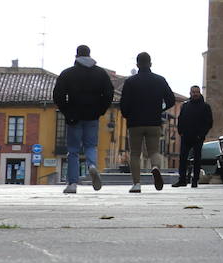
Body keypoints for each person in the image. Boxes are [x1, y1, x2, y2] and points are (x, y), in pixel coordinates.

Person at [52, 44, 114, 194]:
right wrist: (100, 110)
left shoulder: (67, 74)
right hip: (92, 116)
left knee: (73, 150)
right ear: (90, 55)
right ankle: (92, 166)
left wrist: (67, 111)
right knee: (91, 146)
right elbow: (109, 93)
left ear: (76, 56)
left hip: (74, 116)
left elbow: (58, 95)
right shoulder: (101, 74)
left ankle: (72, 184)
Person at [119, 52, 176, 192]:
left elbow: (124, 104)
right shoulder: (159, 80)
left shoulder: (130, 82)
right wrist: (160, 109)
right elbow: (171, 100)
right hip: (154, 121)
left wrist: (128, 115)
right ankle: (155, 167)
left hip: (135, 123)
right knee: (154, 151)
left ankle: (136, 184)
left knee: (135, 153)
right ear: (150, 63)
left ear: (137, 64)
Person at [175, 85, 214, 187]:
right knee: (183, 158)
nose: (195, 94)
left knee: (197, 159)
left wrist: (201, 135)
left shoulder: (205, 106)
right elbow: (180, 119)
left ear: (200, 92)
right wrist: (180, 132)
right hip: (186, 136)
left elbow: (209, 123)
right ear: (190, 93)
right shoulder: (185, 106)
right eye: (193, 92)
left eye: (197, 92)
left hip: (198, 137)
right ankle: (182, 180)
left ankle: (195, 180)